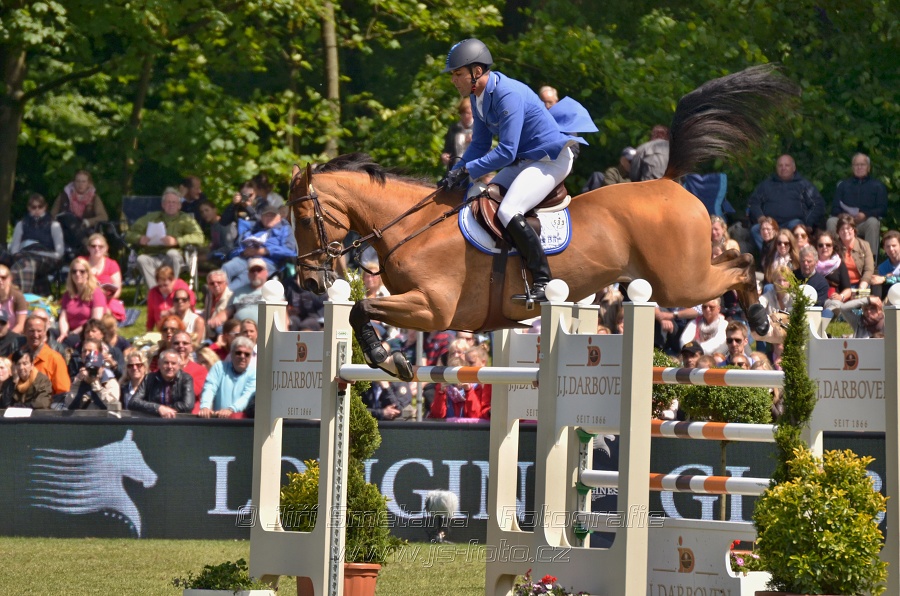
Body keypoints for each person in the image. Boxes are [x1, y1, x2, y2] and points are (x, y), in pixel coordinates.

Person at [441, 38, 587, 303]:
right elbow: (481, 145)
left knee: (509, 210)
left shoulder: (507, 94)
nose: (454, 80)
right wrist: (457, 170)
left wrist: (468, 170)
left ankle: (544, 280)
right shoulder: (478, 98)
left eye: (457, 74)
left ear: (476, 72)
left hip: (549, 159)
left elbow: (506, 151)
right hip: (525, 161)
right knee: (481, 197)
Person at [124, 187, 205, 289]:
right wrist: (139, 238)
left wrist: (177, 241)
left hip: (173, 256)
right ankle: (156, 293)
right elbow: (128, 234)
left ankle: (171, 290)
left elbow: (199, 237)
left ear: (179, 205)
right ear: (163, 205)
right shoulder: (151, 217)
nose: (171, 205)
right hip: (152, 255)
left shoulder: (185, 219)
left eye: (174, 202)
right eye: (168, 202)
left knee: (172, 254)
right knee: (141, 259)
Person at [748, 154, 825, 250]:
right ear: (776, 168)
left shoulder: (803, 185)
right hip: (771, 224)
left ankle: (793, 258)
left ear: (794, 168)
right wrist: (760, 216)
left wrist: (808, 223)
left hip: (793, 223)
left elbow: (817, 204)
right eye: (780, 165)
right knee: (755, 229)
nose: (783, 168)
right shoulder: (766, 185)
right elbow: (754, 202)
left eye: (787, 165)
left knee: (797, 227)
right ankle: (770, 257)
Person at [222, 203, 297, 288]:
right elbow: (237, 247)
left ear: (279, 218)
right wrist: (243, 252)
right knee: (226, 268)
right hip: (245, 259)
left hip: (267, 262)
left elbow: (291, 251)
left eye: (272, 216)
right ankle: (216, 295)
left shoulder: (285, 229)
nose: (269, 218)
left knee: (242, 278)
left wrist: (265, 251)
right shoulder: (254, 229)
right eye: (266, 216)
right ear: (261, 218)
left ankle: (226, 295)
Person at [826, 153, 887, 255]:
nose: (859, 167)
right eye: (856, 165)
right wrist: (843, 216)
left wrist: (865, 214)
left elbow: (883, 209)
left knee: (873, 222)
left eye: (862, 165)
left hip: (865, 222)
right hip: (844, 222)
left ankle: (870, 260)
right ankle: (833, 256)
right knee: (831, 221)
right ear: (852, 167)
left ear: (868, 167)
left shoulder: (877, 185)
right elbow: (834, 208)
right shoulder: (843, 185)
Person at [7, 193, 66, 294]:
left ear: (45, 207)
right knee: (24, 263)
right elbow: (14, 250)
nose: (37, 210)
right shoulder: (21, 224)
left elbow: (59, 253)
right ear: (28, 208)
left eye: (40, 207)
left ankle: (20, 297)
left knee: (27, 263)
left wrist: (37, 254)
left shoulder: (54, 225)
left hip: (47, 257)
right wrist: (26, 255)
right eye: (33, 207)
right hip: (24, 255)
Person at [197, 336, 257, 418]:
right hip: (218, 421)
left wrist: (231, 410)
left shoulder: (254, 373)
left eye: (247, 354)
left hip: (242, 423)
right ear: (231, 354)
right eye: (238, 353)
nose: (242, 356)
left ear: (250, 357)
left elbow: (247, 396)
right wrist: (205, 407)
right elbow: (209, 388)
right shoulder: (219, 367)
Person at [51, 170, 109, 253]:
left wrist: (88, 221)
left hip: (85, 228)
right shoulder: (64, 196)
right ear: (73, 182)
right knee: (68, 217)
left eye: (83, 181)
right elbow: (52, 215)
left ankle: (85, 244)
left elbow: (103, 217)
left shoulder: (94, 198)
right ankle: (85, 242)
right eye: (78, 181)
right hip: (65, 230)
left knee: (74, 224)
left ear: (88, 183)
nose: (80, 184)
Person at [127, 349, 195, 418]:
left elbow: (187, 405)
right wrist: (158, 408)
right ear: (159, 364)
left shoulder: (186, 379)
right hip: (154, 422)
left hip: (178, 422)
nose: (170, 366)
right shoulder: (149, 378)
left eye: (173, 363)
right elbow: (133, 402)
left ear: (179, 366)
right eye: (166, 363)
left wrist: (166, 409)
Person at [58, 257, 107, 347]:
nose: (77, 274)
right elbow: (63, 318)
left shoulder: (96, 293)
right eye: (74, 271)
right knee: (49, 334)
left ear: (88, 273)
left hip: (86, 332)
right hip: (68, 331)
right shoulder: (67, 295)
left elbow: (95, 321)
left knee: (66, 342)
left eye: (82, 271)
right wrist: (63, 333)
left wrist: (73, 333)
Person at [64, 341, 120, 410]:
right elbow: (69, 405)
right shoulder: (80, 379)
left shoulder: (110, 381)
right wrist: (77, 383)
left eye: (96, 368)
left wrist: (96, 385)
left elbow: (112, 406)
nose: (92, 371)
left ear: (102, 367)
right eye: (89, 368)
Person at [25, 313, 70, 396]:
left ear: (45, 332)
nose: (35, 335)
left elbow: (63, 393)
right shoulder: (16, 357)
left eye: (39, 331)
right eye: (31, 331)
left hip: (46, 407)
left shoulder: (55, 359)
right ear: (24, 332)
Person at [85, 232, 125, 322]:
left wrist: (105, 296)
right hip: (85, 298)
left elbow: (117, 290)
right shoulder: (82, 262)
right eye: (93, 246)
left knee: (107, 309)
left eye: (100, 246)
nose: (97, 248)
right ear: (88, 248)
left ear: (106, 248)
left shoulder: (112, 264)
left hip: (107, 300)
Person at [146, 265, 196, 332]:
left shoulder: (181, 286)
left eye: (165, 285)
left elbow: (191, 301)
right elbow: (151, 315)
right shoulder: (153, 292)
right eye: (160, 286)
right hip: (164, 329)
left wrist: (171, 311)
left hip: (183, 327)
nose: (162, 288)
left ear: (173, 280)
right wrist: (149, 331)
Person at [835, 213, 875, 292]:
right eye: (842, 229)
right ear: (838, 232)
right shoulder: (834, 247)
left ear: (854, 230)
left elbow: (869, 269)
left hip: (860, 284)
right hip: (840, 286)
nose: (845, 231)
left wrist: (861, 288)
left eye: (848, 228)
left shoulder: (864, 245)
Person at [815, 230, 852, 310]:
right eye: (821, 245)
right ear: (817, 248)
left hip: (832, 301)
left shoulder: (840, 264)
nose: (824, 247)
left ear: (833, 247)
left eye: (828, 245)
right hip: (814, 300)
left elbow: (848, 289)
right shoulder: (811, 264)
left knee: (834, 306)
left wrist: (841, 296)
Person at [170, 330, 207, 410]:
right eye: (176, 343)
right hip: (167, 416)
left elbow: (190, 393)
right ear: (171, 347)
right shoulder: (163, 369)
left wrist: (179, 369)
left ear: (191, 348)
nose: (181, 346)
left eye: (185, 343)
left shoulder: (200, 370)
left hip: (190, 417)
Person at [196, 199, 237, 267]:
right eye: (202, 212)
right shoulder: (213, 225)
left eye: (207, 210)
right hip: (217, 254)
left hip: (227, 259)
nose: (204, 214)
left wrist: (207, 256)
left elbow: (229, 247)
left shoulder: (224, 224)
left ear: (215, 210)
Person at [227, 258, 269, 324]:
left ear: (266, 272)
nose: (255, 273)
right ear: (248, 274)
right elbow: (226, 312)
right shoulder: (238, 292)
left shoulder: (273, 290)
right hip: (241, 331)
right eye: (252, 270)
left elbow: (282, 314)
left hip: (265, 331)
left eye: (259, 270)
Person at [440, 97, 474, 171]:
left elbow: (487, 151)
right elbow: (447, 150)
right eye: (463, 113)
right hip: (456, 170)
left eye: (468, 113)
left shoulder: (479, 129)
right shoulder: (453, 129)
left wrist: (475, 139)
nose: (465, 116)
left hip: (473, 172)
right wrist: (444, 156)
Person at [202, 269, 233, 341]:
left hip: (222, 335)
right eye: (212, 283)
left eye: (219, 282)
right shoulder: (209, 295)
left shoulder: (231, 297)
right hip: (208, 333)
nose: (215, 285)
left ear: (226, 283)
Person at [0, 264, 28, 334]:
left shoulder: (18, 297)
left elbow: (21, 325)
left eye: (3, 277)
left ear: (10, 279)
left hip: (12, 336)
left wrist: (7, 339)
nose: (0, 280)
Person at [873, 230, 900, 300]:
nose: (891, 249)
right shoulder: (882, 268)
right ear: (884, 248)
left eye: (894, 245)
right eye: (888, 246)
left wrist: (885, 279)